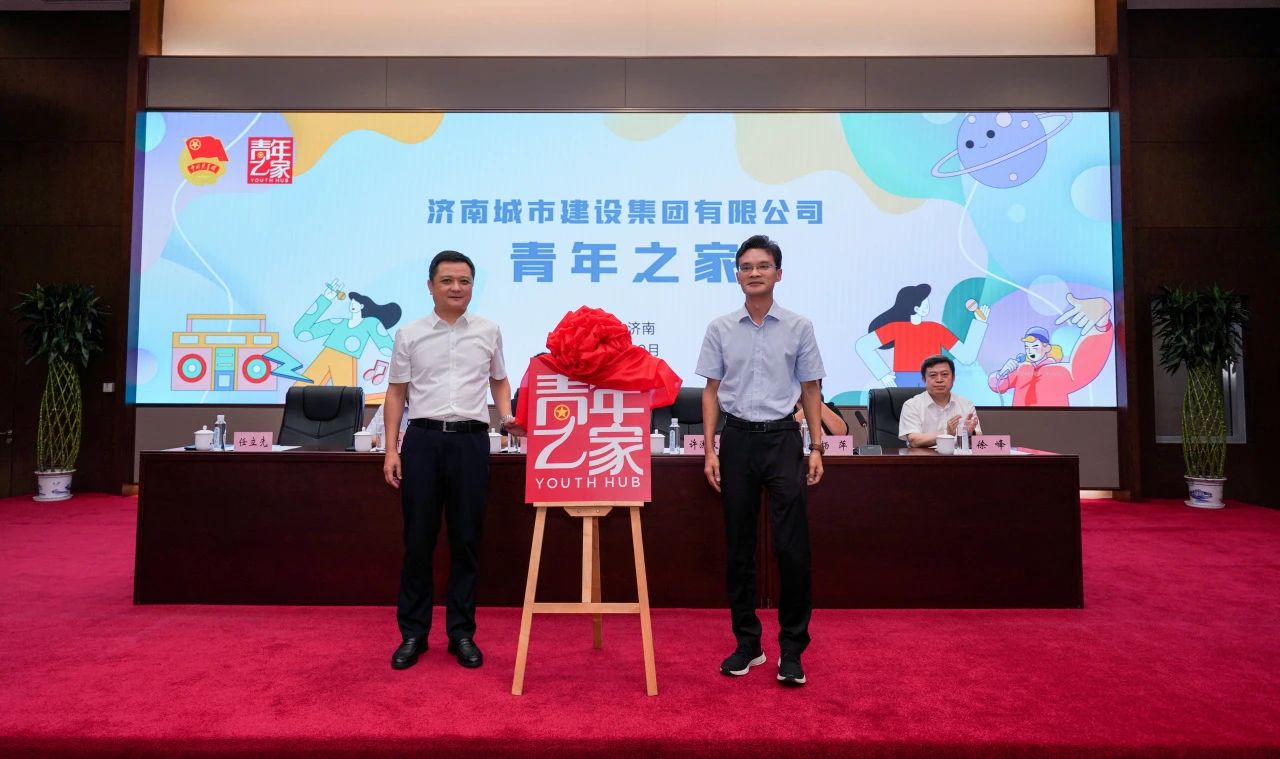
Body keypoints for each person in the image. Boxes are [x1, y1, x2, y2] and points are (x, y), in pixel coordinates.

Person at [697, 234, 825, 687]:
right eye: (747, 266)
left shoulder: (799, 326)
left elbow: (810, 388)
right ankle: (748, 643)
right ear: (737, 275)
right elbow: (711, 391)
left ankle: (792, 649)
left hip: (783, 440)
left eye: (763, 265)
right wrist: (710, 449)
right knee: (739, 547)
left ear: (778, 273)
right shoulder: (720, 327)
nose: (754, 273)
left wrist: (815, 447)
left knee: (792, 548)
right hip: (736, 441)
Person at [382, 250, 516, 671]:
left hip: (471, 443)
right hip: (422, 441)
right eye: (447, 280)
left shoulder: (489, 330)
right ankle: (413, 633)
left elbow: (499, 380)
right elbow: (396, 393)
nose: (456, 288)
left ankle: (461, 633)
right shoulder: (410, 334)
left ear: (472, 286)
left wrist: (507, 416)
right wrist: (391, 449)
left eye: (464, 281)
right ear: (430, 286)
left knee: (466, 541)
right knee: (418, 541)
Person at [855, 283, 989, 388]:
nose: (928, 303)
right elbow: (862, 345)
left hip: (932, 379)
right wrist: (883, 374)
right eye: (925, 301)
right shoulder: (897, 328)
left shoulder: (936, 329)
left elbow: (966, 357)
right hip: (904, 381)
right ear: (917, 308)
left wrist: (979, 323)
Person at [899, 355, 981, 448]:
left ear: (953, 378)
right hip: (924, 456)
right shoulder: (911, 405)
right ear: (924, 379)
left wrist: (969, 434)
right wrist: (947, 434)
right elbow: (914, 440)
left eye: (945, 374)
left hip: (958, 455)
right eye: (933, 375)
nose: (939, 380)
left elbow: (979, 439)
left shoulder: (966, 404)